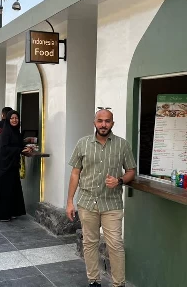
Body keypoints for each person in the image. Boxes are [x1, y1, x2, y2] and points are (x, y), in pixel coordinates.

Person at [66, 108, 137, 287]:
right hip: (87, 202)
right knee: (90, 243)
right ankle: (94, 281)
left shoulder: (122, 145)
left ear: (112, 123)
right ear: (94, 123)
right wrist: (69, 202)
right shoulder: (82, 143)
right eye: (100, 121)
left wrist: (119, 180)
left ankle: (118, 284)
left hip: (112, 203)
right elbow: (75, 173)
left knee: (115, 244)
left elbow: (131, 171)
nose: (103, 124)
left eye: (107, 121)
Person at [0, 110, 32, 222]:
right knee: (5, 189)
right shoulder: (6, 132)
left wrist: (26, 147)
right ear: (8, 120)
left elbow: (18, 143)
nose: (14, 120)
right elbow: (5, 149)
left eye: (16, 118)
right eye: (12, 118)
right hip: (5, 166)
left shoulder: (16, 132)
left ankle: (12, 211)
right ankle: (3, 214)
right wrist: (20, 149)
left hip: (13, 166)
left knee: (12, 189)